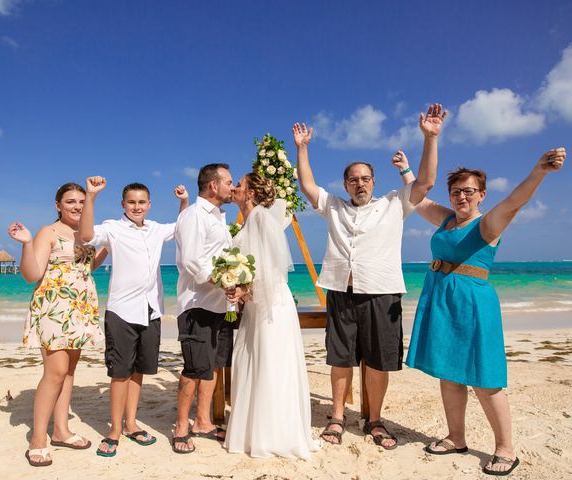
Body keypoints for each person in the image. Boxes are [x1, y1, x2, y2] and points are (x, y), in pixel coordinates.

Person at [398, 147, 566, 476]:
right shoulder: (446, 218)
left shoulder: (488, 224)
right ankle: (456, 438)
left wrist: (539, 171)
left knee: (484, 380)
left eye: (469, 191)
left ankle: (506, 448)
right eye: (456, 191)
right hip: (442, 301)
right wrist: (406, 170)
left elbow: (516, 201)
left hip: (472, 305)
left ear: (481, 195)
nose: (462, 196)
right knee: (449, 374)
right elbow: (418, 201)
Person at [292, 104, 447, 449]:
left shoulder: (395, 202)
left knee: (378, 361)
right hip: (341, 292)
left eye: (365, 178)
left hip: (382, 292)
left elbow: (426, 181)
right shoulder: (333, 205)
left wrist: (430, 138)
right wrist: (302, 148)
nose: (359, 184)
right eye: (353, 179)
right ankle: (336, 417)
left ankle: (374, 420)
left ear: (374, 182)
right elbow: (307, 184)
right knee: (340, 358)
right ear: (345, 184)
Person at [78, 177, 189, 457]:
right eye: (131, 202)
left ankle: (130, 423)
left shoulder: (155, 229)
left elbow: (183, 229)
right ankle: (114, 429)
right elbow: (86, 235)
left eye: (142, 202)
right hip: (121, 311)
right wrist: (90, 196)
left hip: (151, 309)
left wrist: (184, 202)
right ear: (123, 204)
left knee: (139, 371)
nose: (137, 207)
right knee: (120, 372)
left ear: (149, 205)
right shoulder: (113, 228)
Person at [8, 182, 107, 467]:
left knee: (69, 371)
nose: (76, 206)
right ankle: (38, 438)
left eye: (80, 201)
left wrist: (108, 249)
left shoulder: (87, 233)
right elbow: (32, 274)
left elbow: (86, 267)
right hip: (54, 308)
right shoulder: (47, 233)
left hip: (80, 308)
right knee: (56, 372)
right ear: (58, 205)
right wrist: (27, 243)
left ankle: (61, 430)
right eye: (70, 201)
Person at [223, 172, 320, 458]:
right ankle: (253, 431)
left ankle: (272, 435)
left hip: (271, 304)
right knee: (252, 361)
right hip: (257, 303)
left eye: (239, 185)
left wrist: (242, 291)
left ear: (250, 192)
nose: (235, 189)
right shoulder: (251, 220)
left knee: (270, 362)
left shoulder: (262, 218)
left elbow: (269, 268)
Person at [173, 163, 235, 454]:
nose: (232, 188)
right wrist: (223, 282)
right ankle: (181, 427)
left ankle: (203, 421)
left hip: (219, 304)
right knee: (194, 368)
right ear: (213, 186)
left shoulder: (219, 217)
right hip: (196, 304)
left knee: (212, 365)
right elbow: (191, 260)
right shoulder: (193, 216)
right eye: (229, 182)